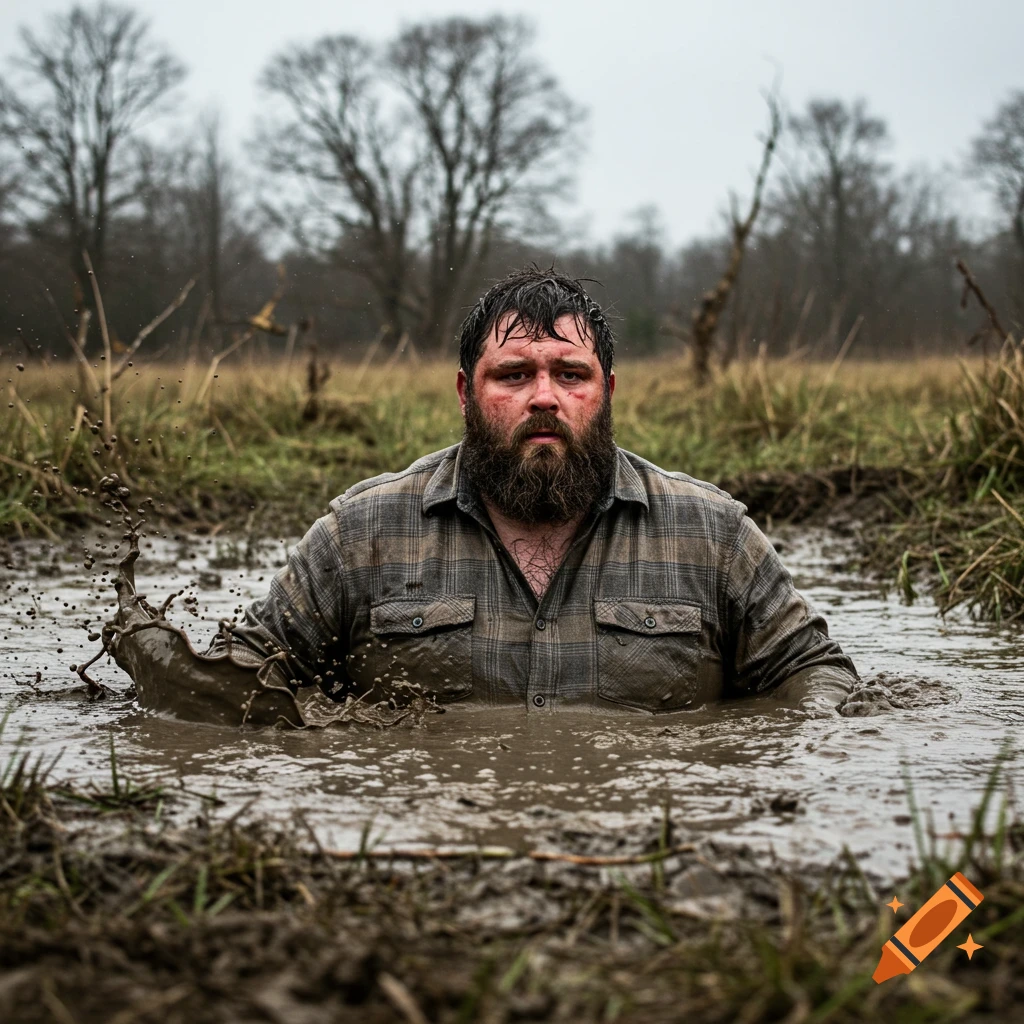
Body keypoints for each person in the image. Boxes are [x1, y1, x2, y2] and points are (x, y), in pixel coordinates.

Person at [112, 266, 857, 719]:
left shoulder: (713, 534)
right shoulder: (360, 534)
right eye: (513, 375)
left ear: (607, 392)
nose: (544, 398)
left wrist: (763, 756)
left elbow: (816, 678)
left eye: (570, 375)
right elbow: (237, 686)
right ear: (468, 393)